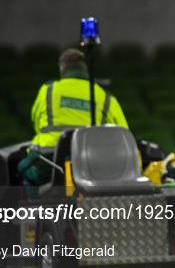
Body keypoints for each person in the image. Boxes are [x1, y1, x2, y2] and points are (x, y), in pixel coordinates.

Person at [18, 48, 129, 187]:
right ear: (85, 68)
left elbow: (36, 121)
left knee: (25, 171)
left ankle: (33, 207)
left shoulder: (48, 90)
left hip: (49, 161)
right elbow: (123, 133)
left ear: (62, 68)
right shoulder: (105, 96)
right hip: (92, 163)